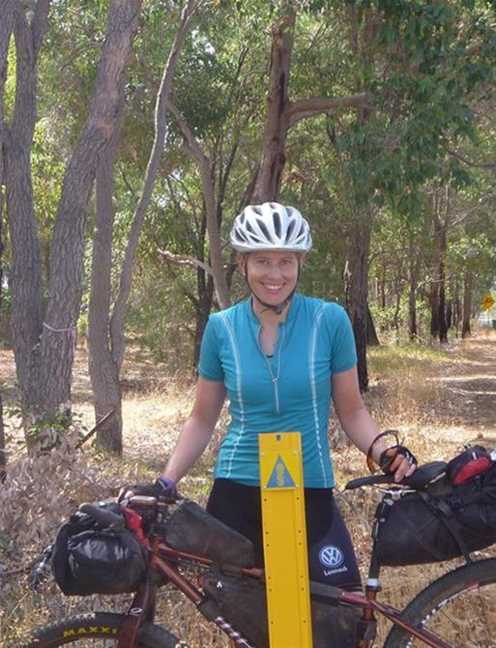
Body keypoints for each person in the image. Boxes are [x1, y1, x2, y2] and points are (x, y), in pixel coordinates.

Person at [144, 202, 415, 645]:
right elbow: (202, 418)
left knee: (342, 624)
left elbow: (352, 411)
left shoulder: (329, 320)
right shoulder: (221, 328)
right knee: (251, 630)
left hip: (308, 486)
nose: (275, 273)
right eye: (263, 260)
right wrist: (166, 482)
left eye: (285, 261)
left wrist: (383, 449)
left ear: (300, 263)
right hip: (237, 492)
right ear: (243, 263)